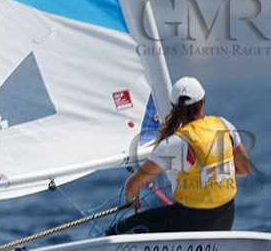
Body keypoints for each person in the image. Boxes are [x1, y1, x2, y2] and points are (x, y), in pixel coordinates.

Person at [107, 76, 252, 235]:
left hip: (191, 222)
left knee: (117, 231)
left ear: (173, 106)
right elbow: (244, 169)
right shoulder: (224, 125)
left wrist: (130, 199)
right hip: (225, 220)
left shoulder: (174, 143)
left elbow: (132, 186)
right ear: (203, 102)